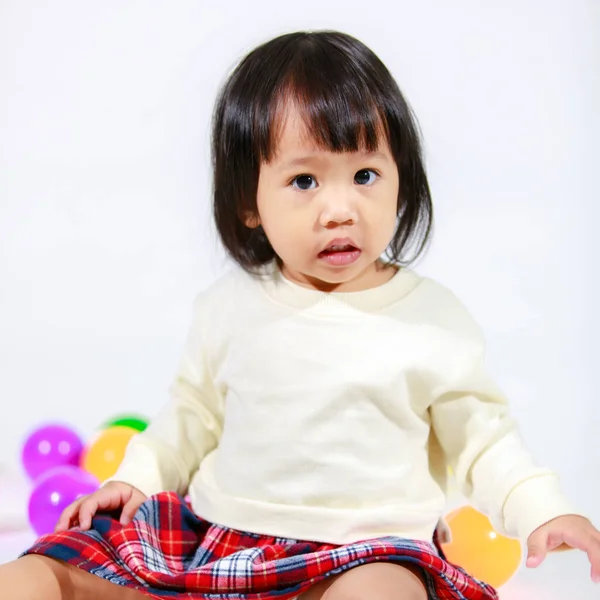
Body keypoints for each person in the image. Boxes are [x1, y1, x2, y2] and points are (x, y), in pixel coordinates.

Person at [1, 29, 598, 600]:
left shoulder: (432, 320)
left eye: (365, 175)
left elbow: (483, 443)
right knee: (40, 571)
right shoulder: (230, 308)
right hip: (220, 540)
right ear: (248, 203)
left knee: (385, 590)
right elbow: (192, 416)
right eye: (304, 179)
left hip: (365, 553)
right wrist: (135, 478)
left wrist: (544, 510)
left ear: (401, 181)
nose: (340, 209)